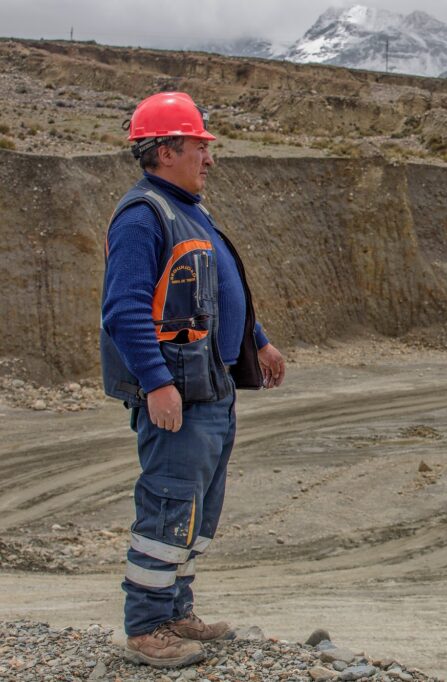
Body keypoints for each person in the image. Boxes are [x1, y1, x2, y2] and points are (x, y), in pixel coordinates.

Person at [100, 91, 286, 668]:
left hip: (211, 385)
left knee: (197, 510)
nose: (210, 157)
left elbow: (220, 287)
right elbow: (124, 309)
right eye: (200, 146)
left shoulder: (189, 209)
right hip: (179, 391)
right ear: (164, 150)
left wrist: (257, 340)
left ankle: (175, 608)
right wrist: (157, 384)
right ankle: (147, 627)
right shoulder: (144, 216)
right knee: (168, 506)